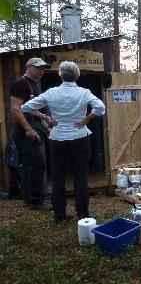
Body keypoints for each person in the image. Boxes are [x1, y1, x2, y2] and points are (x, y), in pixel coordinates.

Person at [21, 61, 105, 222]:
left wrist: (46, 117)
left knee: (58, 177)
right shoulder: (84, 92)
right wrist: (86, 119)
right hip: (80, 137)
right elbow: (100, 108)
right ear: (78, 76)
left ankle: (59, 216)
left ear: (60, 75)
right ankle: (83, 215)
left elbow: (25, 107)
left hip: (57, 138)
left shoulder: (51, 93)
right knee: (81, 176)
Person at [10, 57, 56, 210]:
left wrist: (45, 123)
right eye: (38, 67)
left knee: (35, 164)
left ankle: (33, 198)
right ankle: (36, 200)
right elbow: (16, 109)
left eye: (43, 68)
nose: (42, 70)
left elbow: (33, 110)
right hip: (25, 130)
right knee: (35, 164)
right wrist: (28, 129)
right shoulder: (21, 83)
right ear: (28, 67)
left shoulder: (34, 85)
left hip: (35, 126)